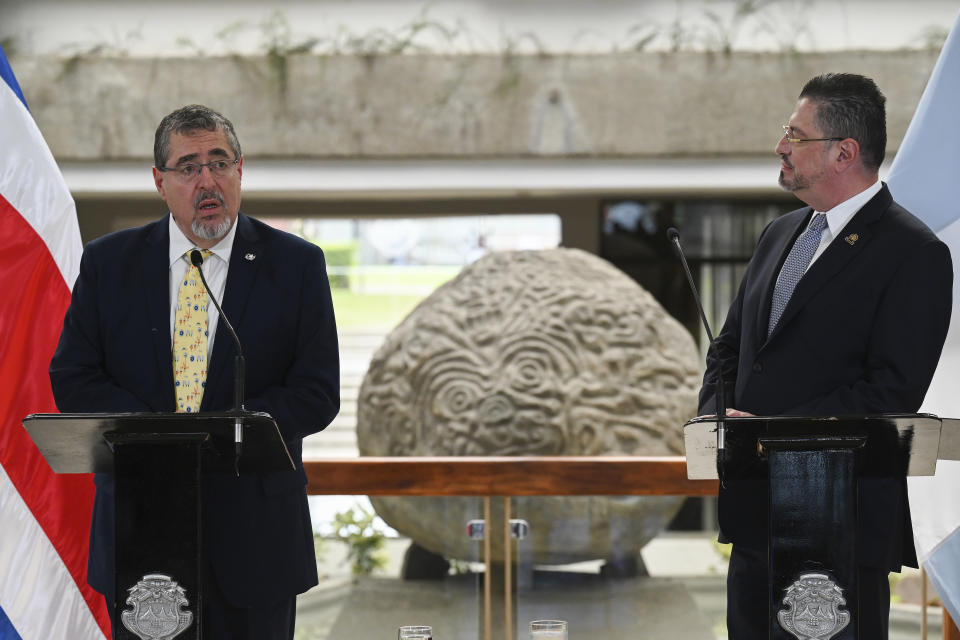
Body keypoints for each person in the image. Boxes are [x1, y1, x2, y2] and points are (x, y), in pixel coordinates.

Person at [49, 104, 340, 639]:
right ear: (160, 182)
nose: (207, 180)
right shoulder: (109, 264)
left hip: (258, 540)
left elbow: (317, 391)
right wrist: (156, 436)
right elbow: (73, 376)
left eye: (219, 162)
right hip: (142, 530)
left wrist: (227, 432)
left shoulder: (296, 265)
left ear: (240, 169)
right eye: (188, 167)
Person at [698, 73, 953, 638]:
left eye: (796, 134)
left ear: (844, 152)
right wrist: (720, 416)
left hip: (840, 521)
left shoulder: (913, 253)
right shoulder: (779, 233)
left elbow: (892, 390)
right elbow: (731, 348)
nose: (780, 146)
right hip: (754, 517)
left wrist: (767, 432)